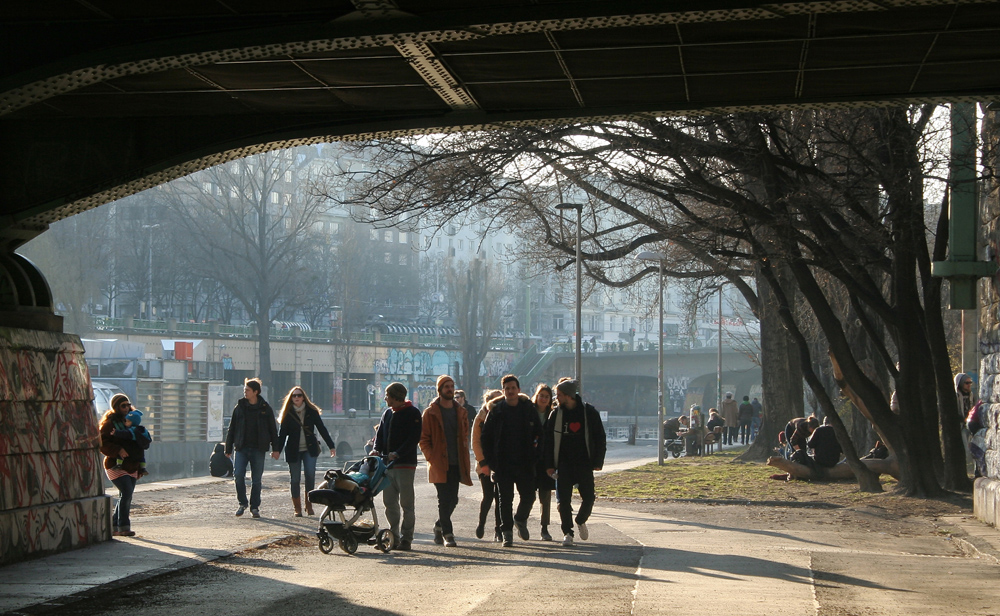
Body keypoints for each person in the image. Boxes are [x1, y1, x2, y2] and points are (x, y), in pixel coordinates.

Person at [481, 374, 542, 547]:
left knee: (529, 496)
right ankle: (506, 532)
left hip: (525, 462)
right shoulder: (496, 411)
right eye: (507, 388)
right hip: (503, 464)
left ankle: (520, 519)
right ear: (503, 391)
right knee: (505, 500)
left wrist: (536, 454)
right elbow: (485, 437)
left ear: (519, 390)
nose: (510, 391)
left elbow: (539, 433)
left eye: (513, 388)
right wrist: (491, 462)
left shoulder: (528, 409)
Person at [545, 378, 606, 546]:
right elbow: (548, 441)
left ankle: (580, 520)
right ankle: (568, 533)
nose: (556, 398)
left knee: (589, 498)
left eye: (559, 395)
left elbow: (600, 437)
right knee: (562, 501)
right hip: (563, 465)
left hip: (584, 463)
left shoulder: (589, 412)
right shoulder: (556, 414)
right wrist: (549, 465)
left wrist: (598, 460)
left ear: (568, 395)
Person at [419, 375, 473, 547]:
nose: (450, 389)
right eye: (446, 386)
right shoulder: (430, 413)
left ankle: (438, 526)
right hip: (439, 463)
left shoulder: (461, 412)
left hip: (457, 461)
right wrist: (431, 457)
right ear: (440, 390)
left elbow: (464, 435)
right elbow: (423, 439)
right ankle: (448, 534)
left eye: (452, 386)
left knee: (454, 499)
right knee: (443, 498)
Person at [372, 382, 422, 551]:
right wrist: (376, 450)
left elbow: (413, 439)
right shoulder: (387, 413)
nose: (385, 398)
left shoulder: (413, 413)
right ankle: (393, 537)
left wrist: (398, 453)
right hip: (388, 466)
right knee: (389, 502)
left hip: (405, 465)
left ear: (395, 396)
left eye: (387, 395)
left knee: (407, 503)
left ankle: (407, 538)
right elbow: (379, 436)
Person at [273, 386, 336, 517]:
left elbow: (321, 428)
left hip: (310, 449)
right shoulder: (287, 413)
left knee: (310, 475)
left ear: (303, 398)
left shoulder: (311, 411)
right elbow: (282, 434)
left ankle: (309, 504)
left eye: (299, 395)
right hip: (293, 450)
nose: (296, 398)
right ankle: (297, 508)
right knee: (295, 479)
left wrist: (331, 445)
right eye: (294, 396)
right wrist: (277, 450)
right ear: (291, 398)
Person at [225, 377, 279, 519]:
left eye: (247, 390)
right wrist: (228, 447)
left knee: (256, 480)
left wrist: (276, 448)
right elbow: (232, 428)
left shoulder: (265, 409)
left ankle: (254, 507)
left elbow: (273, 430)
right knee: (238, 476)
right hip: (241, 448)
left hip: (258, 449)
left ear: (255, 392)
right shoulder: (240, 407)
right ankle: (242, 503)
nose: (245, 392)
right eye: (245, 390)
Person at [99, 394, 151, 537]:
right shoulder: (110, 423)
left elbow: (141, 445)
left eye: (128, 405)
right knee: (126, 493)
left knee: (125, 495)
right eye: (123, 405)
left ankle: (114, 525)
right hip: (115, 465)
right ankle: (124, 526)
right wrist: (118, 450)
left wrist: (140, 467)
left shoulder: (132, 422)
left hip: (132, 465)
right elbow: (102, 444)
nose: (126, 408)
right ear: (116, 407)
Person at [472, 389, 503, 541]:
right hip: (484, 463)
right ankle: (481, 523)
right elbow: (475, 442)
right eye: (494, 400)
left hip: (500, 463)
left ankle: (499, 530)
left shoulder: (504, 414)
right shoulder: (481, 418)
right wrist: (483, 462)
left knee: (500, 497)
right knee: (488, 496)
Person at [532, 383, 556, 541]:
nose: (544, 399)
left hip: (546, 460)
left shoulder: (553, 415)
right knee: (528, 494)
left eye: (547, 397)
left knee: (545, 496)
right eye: (541, 395)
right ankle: (521, 522)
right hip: (530, 459)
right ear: (537, 396)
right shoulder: (529, 411)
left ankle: (544, 527)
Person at [111, 409, 151, 478]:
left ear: (133, 422)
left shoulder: (132, 430)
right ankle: (143, 468)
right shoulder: (143, 429)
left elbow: (126, 434)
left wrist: (116, 432)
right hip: (139, 450)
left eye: (128, 421)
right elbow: (149, 438)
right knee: (142, 458)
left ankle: (119, 465)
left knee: (120, 454)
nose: (125, 423)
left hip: (130, 450)